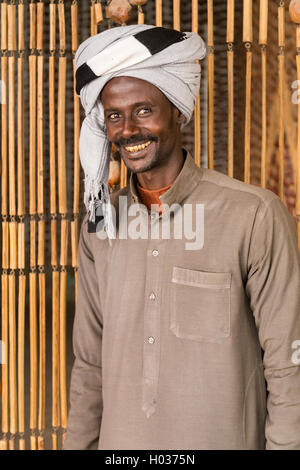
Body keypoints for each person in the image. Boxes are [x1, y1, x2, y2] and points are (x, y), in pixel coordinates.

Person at [63, 24, 300, 450]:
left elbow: (288, 366)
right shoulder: (102, 225)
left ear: (177, 109)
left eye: (143, 110)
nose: (128, 130)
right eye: (114, 115)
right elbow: (89, 365)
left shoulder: (253, 215)